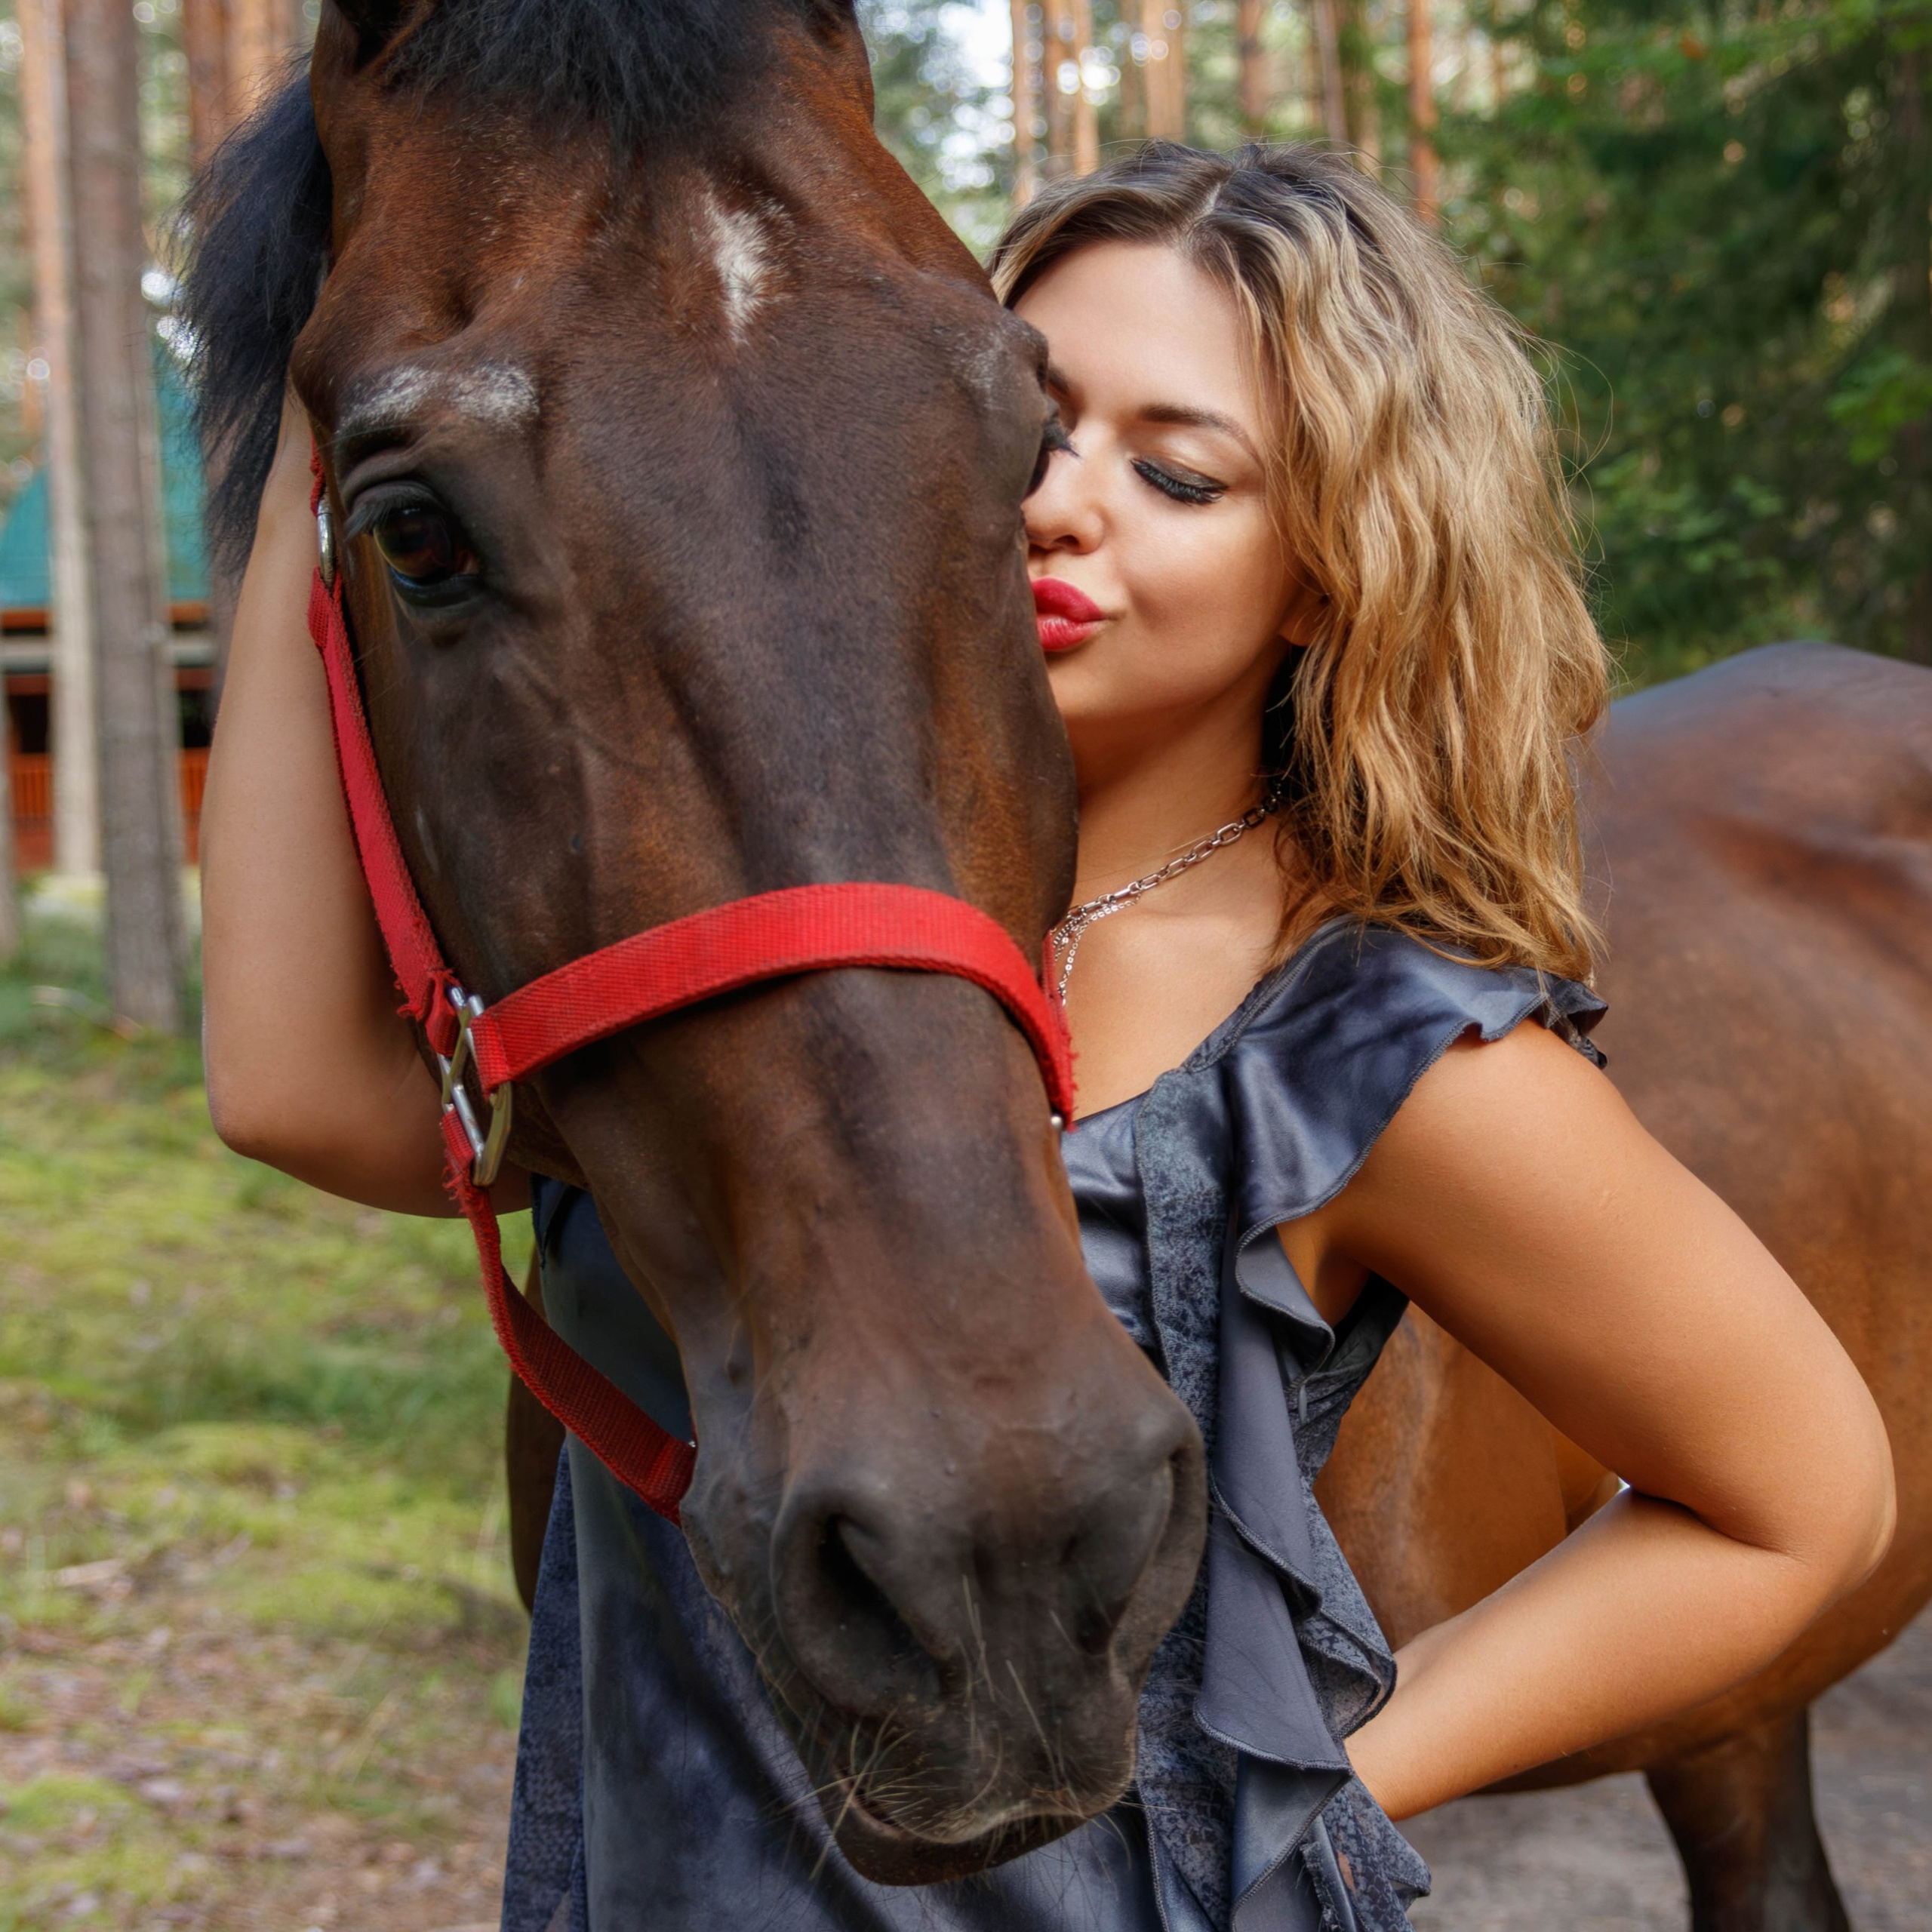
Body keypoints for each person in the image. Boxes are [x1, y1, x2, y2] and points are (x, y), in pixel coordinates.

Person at [199, 143, 1894, 1932]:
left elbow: (1798, 1498)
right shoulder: (771, 951)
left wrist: (1313, 1797)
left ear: (1327, 567)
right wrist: (356, 383)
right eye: (1023, 432)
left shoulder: (1356, 1046)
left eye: (1176, 471)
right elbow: (294, 1087)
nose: (1059, 507)